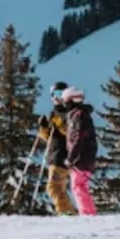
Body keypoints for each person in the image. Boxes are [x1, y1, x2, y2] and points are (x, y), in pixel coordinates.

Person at [38, 82, 77, 215]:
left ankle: (67, 213)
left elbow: (71, 133)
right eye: (53, 94)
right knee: (58, 187)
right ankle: (69, 212)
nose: (56, 97)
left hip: (63, 155)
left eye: (59, 94)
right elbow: (49, 137)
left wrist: (59, 123)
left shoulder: (69, 112)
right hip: (54, 154)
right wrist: (44, 128)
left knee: (53, 187)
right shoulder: (55, 112)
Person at [63, 86, 99, 216]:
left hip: (81, 157)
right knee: (81, 185)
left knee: (78, 186)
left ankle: (87, 214)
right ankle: (89, 213)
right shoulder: (80, 114)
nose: (64, 103)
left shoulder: (78, 116)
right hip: (85, 156)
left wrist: (71, 158)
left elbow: (78, 137)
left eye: (65, 100)